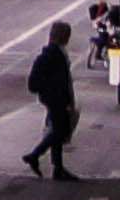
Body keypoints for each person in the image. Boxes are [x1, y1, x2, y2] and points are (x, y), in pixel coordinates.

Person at [25, 18, 80, 182]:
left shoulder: (58, 52)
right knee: (60, 131)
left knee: (58, 130)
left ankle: (58, 167)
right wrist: (54, 93)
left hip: (58, 99)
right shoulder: (51, 55)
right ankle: (35, 155)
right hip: (55, 100)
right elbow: (35, 83)